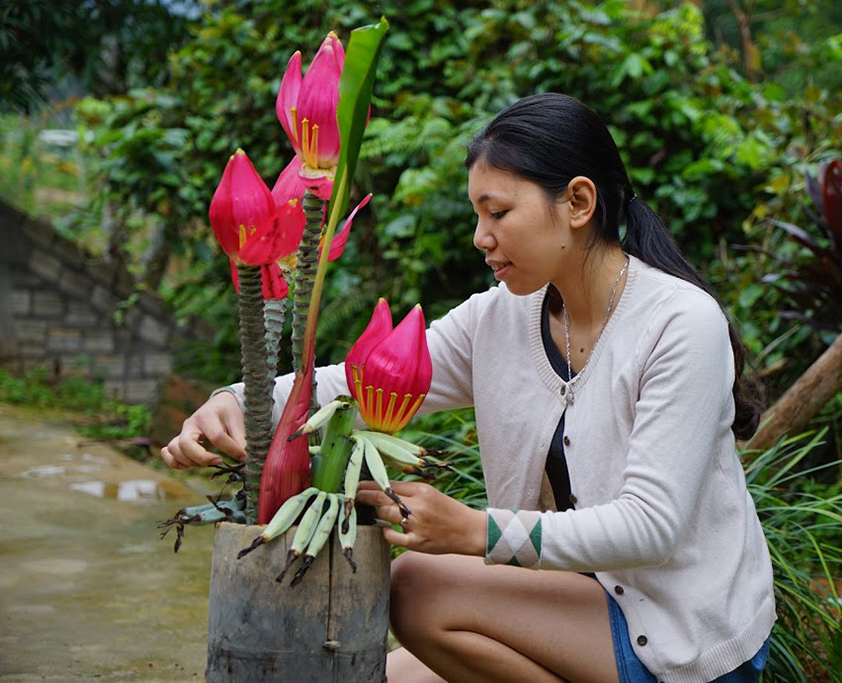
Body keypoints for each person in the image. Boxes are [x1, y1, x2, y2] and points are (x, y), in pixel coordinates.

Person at [163, 93, 775, 683]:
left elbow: (651, 526)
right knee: (361, 674)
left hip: (676, 633)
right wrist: (237, 400)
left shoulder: (679, 323)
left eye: (499, 213)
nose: (481, 237)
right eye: (478, 216)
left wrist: (473, 532)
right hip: (563, 603)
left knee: (419, 586)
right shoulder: (500, 318)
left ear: (579, 202)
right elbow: (359, 382)